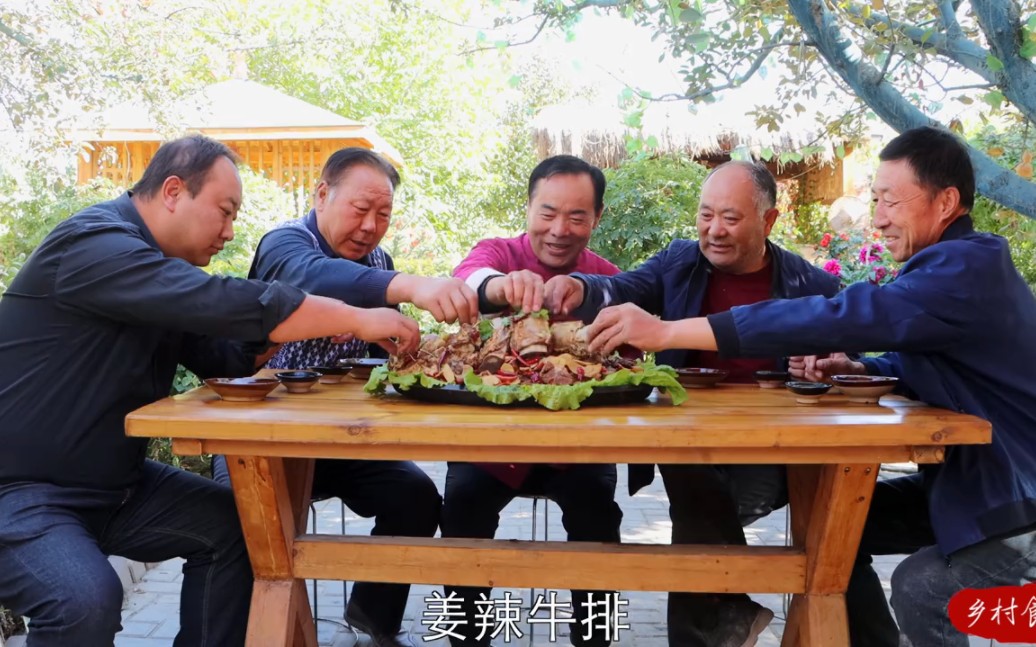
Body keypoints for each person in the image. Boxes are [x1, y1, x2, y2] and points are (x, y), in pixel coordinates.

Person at [577, 126, 1036, 646]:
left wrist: (666, 333)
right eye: (876, 200)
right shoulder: (952, 267)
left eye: (891, 201)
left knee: (919, 587)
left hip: (1016, 502)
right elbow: (943, 364)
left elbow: (842, 313)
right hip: (971, 487)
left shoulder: (964, 268)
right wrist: (860, 369)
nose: (878, 217)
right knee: (833, 531)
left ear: (946, 202)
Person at [0, 135, 419, 647]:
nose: (230, 231)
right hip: (21, 491)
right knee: (83, 601)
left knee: (241, 530)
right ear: (173, 191)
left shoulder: (158, 274)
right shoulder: (93, 243)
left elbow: (221, 355)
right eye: (224, 212)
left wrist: (311, 325)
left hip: (116, 487)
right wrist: (354, 316)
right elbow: (215, 300)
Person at [543, 160, 840, 647]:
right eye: (705, 215)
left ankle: (731, 616)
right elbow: (625, 287)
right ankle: (724, 618)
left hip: (771, 452)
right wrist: (582, 287)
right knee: (687, 473)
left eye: (730, 218)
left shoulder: (812, 287)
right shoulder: (679, 261)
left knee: (694, 506)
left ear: (768, 221)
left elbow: (844, 363)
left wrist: (823, 364)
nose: (714, 230)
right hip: (693, 445)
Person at [220, 147, 477, 647]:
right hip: (263, 437)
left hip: (338, 438)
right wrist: (406, 288)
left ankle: (372, 620)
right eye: (361, 209)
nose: (370, 226)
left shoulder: (378, 262)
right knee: (236, 522)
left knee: (415, 497)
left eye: (383, 214)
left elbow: (380, 354)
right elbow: (309, 277)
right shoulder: (285, 244)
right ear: (322, 195)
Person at [442, 155, 624, 647]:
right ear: (527, 208)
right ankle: (466, 639)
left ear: (597, 217)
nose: (560, 230)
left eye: (577, 216)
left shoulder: (609, 278)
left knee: (599, 522)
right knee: (461, 511)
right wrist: (498, 287)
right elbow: (468, 278)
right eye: (547, 213)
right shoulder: (498, 254)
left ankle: (595, 640)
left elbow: (631, 352)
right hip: (491, 447)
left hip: (579, 450)